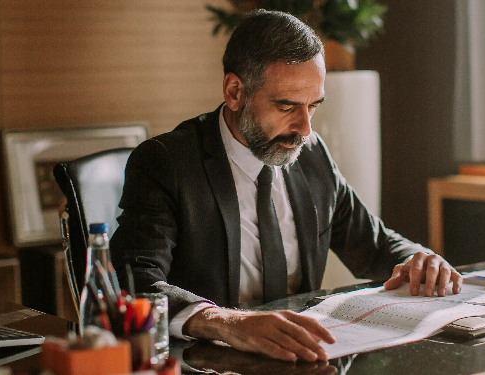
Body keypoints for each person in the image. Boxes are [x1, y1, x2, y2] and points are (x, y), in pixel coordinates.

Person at [110, 9, 462, 363]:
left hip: (299, 362)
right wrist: (228, 323)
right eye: (287, 106)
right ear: (235, 92)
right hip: (205, 362)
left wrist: (417, 261)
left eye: (313, 106)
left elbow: (373, 245)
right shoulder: (165, 162)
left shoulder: (311, 154)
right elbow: (135, 282)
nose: (305, 128)